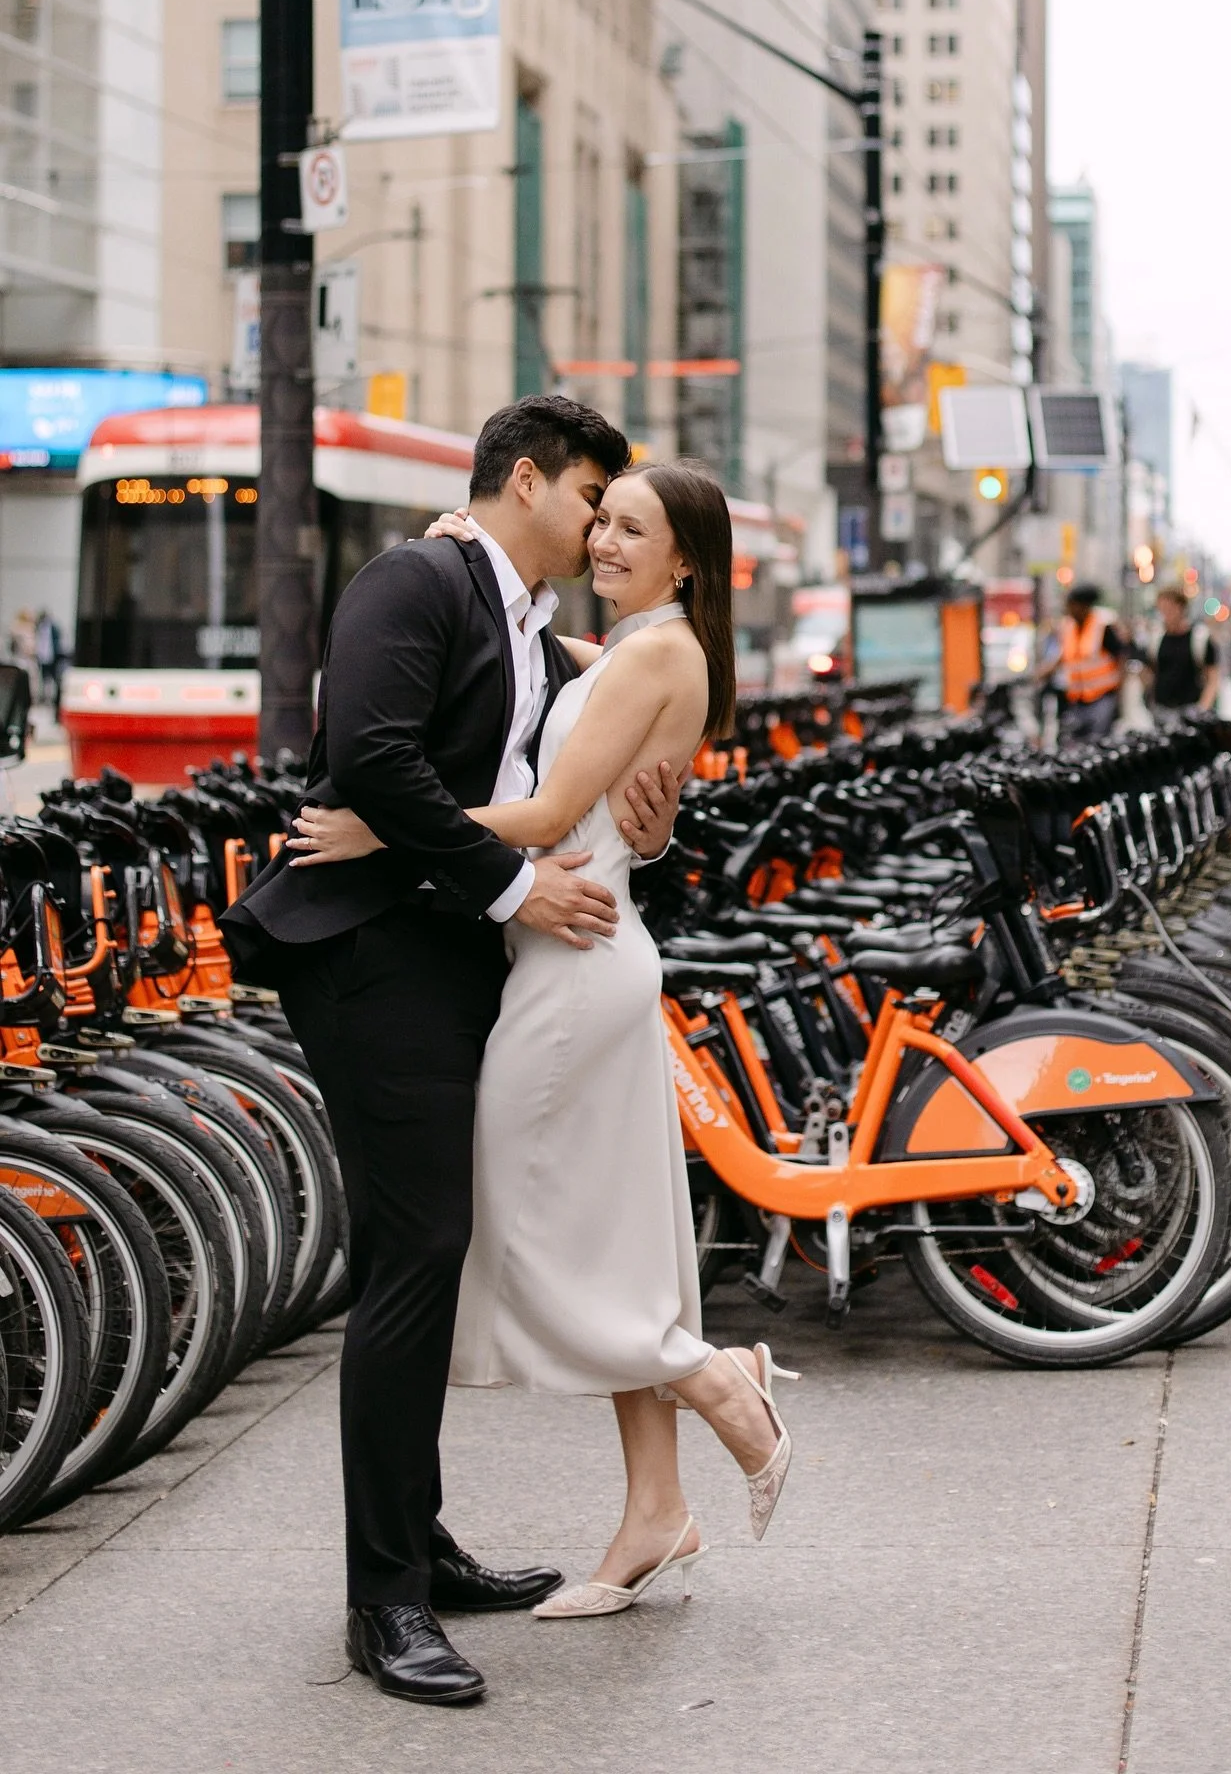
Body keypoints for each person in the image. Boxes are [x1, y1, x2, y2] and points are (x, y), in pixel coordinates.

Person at [219, 397, 688, 1705]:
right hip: (370, 955)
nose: (599, 525)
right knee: (416, 1251)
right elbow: (365, 753)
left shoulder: (518, 619)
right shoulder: (415, 577)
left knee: (412, 1249)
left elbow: (573, 746)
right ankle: (386, 1606)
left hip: (441, 962)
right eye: (591, 496)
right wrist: (514, 888)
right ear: (527, 482)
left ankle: (414, 1544)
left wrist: (642, 814)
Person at [286, 460, 799, 1645]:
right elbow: (529, 655)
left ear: (685, 563)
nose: (605, 542)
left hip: (577, 961)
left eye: (633, 530)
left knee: (512, 1229)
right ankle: (658, 1509)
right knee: (606, 1230)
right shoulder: (626, 648)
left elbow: (545, 805)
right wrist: (467, 546)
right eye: (601, 519)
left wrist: (376, 826)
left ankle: (721, 1382)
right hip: (570, 956)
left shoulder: (661, 653)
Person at [1034, 584, 1127, 741]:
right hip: (1077, 699)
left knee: (1098, 743)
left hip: (1102, 698)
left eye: (1072, 604)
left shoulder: (1102, 626)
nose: (1068, 609)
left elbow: (1121, 657)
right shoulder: (1068, 626)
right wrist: (1041, 673)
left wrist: (1119, 695)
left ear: (1083, 606)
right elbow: (1064, 656)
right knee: (1075, 742)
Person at [1145, 584, 1220, 726]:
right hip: (1161, 709)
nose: (1166, 614)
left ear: (1181, 608)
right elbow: (1152, 671)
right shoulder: (1156, 638)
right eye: (1162, 609)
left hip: (1190, 710)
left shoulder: (1199, 638)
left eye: (1169, 609)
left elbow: (1213, 677)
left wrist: (1202, 708)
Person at [33, 608, 60, 706]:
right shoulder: (39, 627)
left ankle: (51, 697)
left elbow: (56, 641)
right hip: (42, 656)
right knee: (43, 678)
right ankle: (44, 696)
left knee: (52, 678)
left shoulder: (53, 628)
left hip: (51, 656)